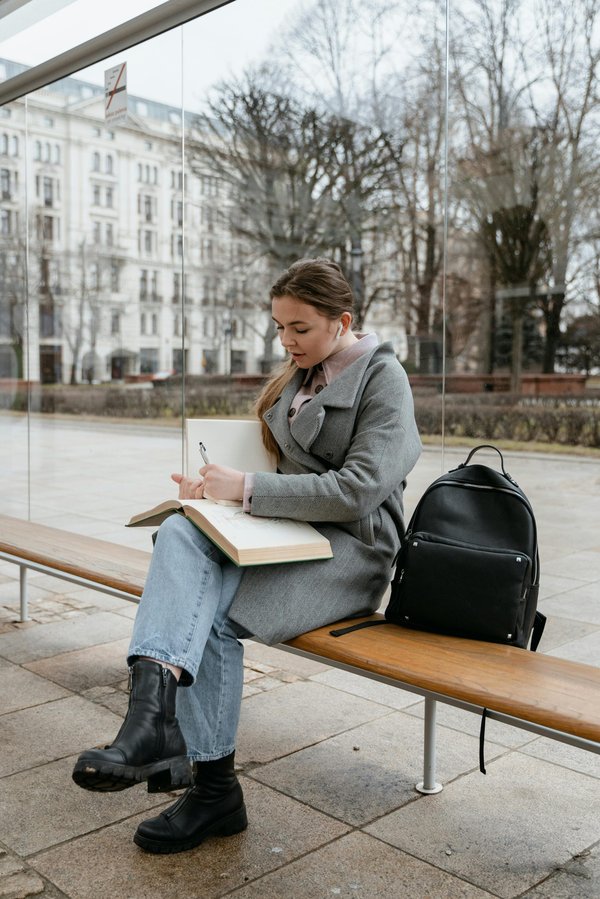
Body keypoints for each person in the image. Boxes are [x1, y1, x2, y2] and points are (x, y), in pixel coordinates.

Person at [72, 257, 422, 854]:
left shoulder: (382, 379)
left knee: (207, 615)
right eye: (279, 326)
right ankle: (151, 719)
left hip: (352, 551)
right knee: (182, 533)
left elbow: (359, 488)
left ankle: (209, 788)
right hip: (288, 534)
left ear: (342, 321)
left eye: (300, 328)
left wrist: (248, 490)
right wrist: (212, 494)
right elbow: (275, 465)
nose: (286, 340)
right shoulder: (298, 374)